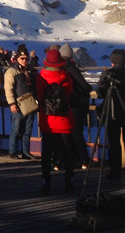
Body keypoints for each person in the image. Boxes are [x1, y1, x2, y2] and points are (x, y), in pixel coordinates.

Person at [96, 48, 125, 185]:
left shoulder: (107, 74)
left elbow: (100, 92)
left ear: (112, 61)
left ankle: (115, 171)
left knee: (114, 143)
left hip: (113, 114)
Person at [37, 48, 75, 193]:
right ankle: (69, 181)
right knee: (67, 153)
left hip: (47, 121)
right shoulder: (66, 76)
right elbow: (70, 94)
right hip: (64, 120)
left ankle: (46, 182)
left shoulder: (41, 77)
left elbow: (39, 95)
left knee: (46, 154)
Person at [61, 43, 93, 169]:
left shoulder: (57, 68)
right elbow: (83, 84)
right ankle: (84, 159)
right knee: (77, 132)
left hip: (61, 106)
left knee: (64, 133)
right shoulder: (71, 68)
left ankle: (66, 159)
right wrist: (88, 89)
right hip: (74, 105)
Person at [3, 45, 34, 160]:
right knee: (16, 128)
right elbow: (8, 89)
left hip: (29, 104)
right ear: (17, 59)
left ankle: (26, 152)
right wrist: (12, 103)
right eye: (22, 58)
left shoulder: (29, 71)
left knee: (28, 129)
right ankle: (13, 151)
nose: (25, 61)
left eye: (26, 59)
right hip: (18, 104)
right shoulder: (11, 72)